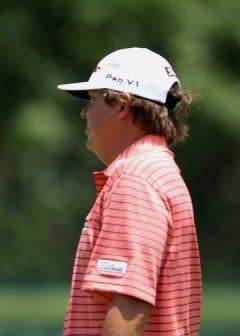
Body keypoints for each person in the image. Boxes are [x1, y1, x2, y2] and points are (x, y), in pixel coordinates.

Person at [57, 47, 201, 335]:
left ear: (123, 106)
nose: (85, 112)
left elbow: (129, 310)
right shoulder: (155, 171)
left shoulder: (135, 180)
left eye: (94, 99)